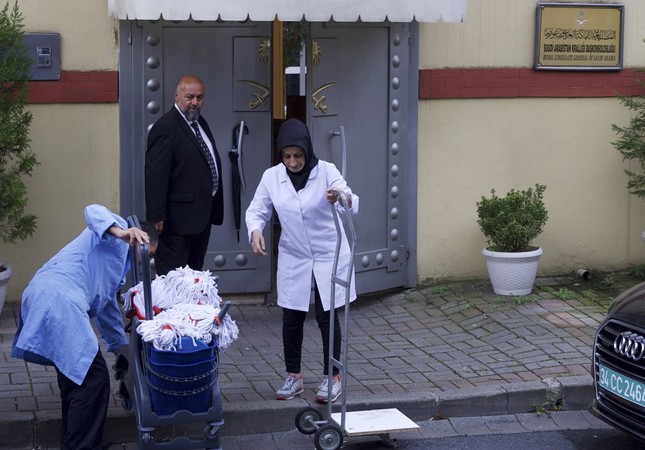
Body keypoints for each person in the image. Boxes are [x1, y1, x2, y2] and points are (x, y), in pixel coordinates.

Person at [11, 204, 158, 450]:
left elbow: (107, 306)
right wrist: (122, 232)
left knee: (75, 380)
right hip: (59, 299)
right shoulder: (113, 237)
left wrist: (119, 347)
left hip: (48, 296)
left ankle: (75, 443)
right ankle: (83, 446)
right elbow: (93, 210)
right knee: (93, 380)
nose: (147, 260)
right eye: (148, 253)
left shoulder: (115, 267)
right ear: (139, 238)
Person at [245, 118, 359, 403]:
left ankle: (332, 377)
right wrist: (255, 231)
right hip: (295, 254)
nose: (293, 162)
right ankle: (293, 377)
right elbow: (256, 210)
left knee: (326, 315)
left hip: (327, 252)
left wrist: (340, 196)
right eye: (287, 156)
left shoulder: (326, 171)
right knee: (291, 315)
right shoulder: (272, 177)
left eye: (298, 155)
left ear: (308, 150)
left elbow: (352, 201)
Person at [145, 74, 224, 276]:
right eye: (190, 97)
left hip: (200, 218)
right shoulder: (166, 127)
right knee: (175, 280)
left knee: (194, 276)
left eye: (200, 98)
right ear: (176, 96)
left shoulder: (200, 123)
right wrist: (156, 217)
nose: (195, 103)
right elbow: (155, 175)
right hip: (176, 223)